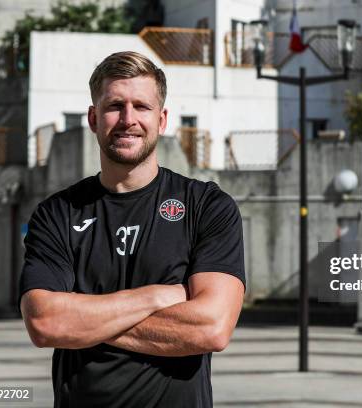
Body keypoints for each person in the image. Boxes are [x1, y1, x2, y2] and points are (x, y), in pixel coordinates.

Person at [19, 51, 245, 408]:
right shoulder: (57, 214)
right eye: (114, 106)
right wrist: (156, 296)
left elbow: (211, 328)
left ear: (162, 118)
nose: (128, 119)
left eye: (141, 106)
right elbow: (45, 322)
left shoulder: (207, 207)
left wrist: (84, 321)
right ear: (94, 118)